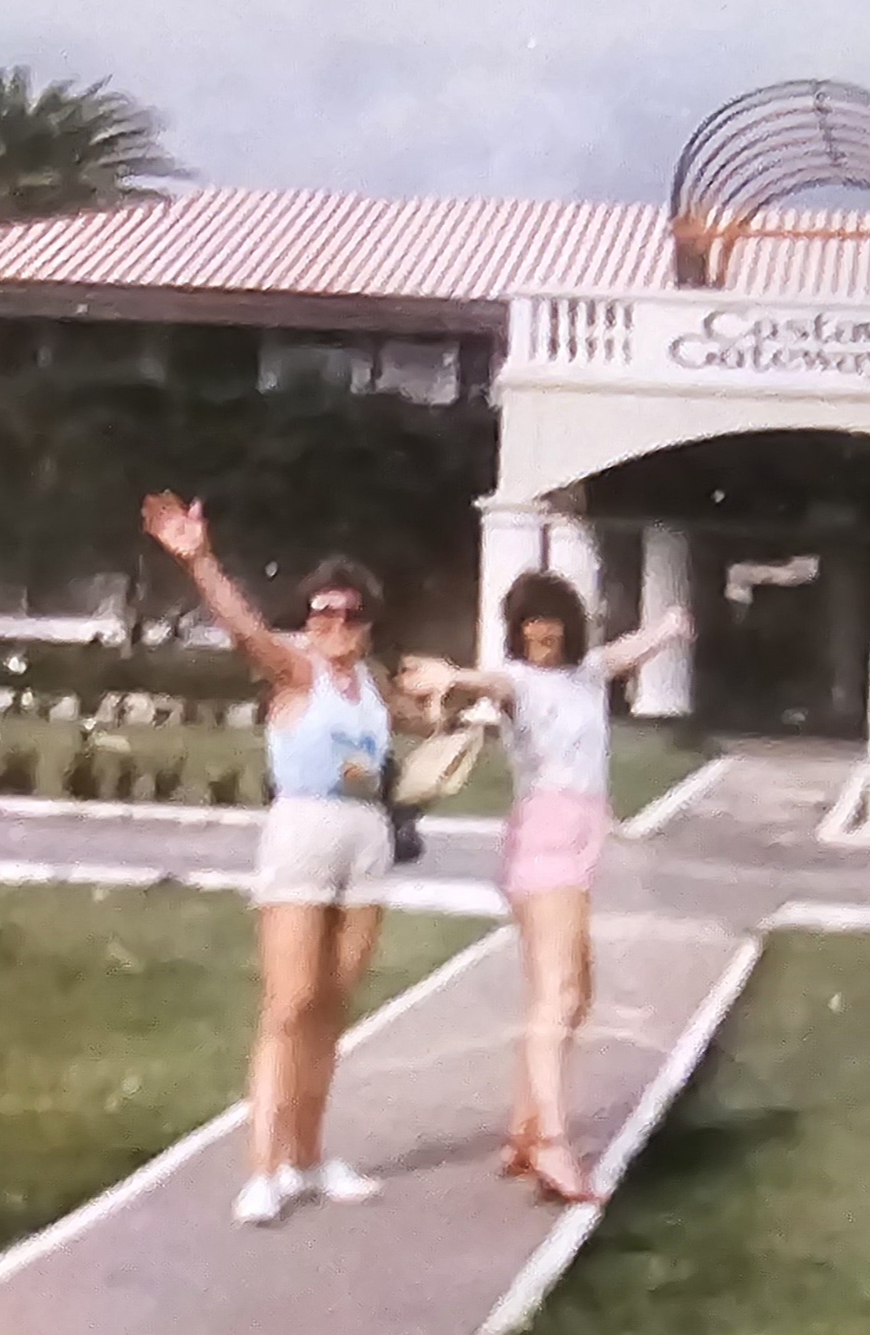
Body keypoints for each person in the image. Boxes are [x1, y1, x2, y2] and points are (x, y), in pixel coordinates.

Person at [143, 493, 428, 1226]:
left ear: (367, 623)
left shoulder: (372, 684)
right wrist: (199, 559)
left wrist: (447, 693)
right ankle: (263, 1169)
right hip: (302, 832)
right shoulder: (293, 670)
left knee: (332, 1007)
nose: (332, 626)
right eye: (320, 614)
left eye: (348, 615)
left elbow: (422, 717)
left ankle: (308, 1157)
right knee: (289, 1005)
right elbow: (240, 627)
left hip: (365, 839)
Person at [402, 574, 693, 1204]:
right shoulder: (517, 682)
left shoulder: (584, 673)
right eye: (530, 620)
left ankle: (526, 1128)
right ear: (516, 628)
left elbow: (620, 655)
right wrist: (454, 678)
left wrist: (670, 629)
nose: (542, 630)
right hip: (546, 839)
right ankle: (554, 1148)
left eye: (553, 618)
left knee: (573, 993)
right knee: (559, 995)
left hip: (581, 839)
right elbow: (494, 683)